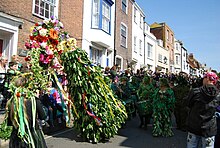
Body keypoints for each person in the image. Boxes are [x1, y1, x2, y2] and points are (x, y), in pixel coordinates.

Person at [7, 76, 47, 148]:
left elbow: (10, 122)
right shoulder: (34, 100)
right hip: (33, 134)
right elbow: (43, 116)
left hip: (17, 137)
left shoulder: (11, 102)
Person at [184, 72, 220, 148]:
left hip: (194, 125)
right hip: (209, 128)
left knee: (192, 146)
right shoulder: (218, 95)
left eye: (204, 78)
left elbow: (187, 103)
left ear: (207, 79)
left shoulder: (195, 91)